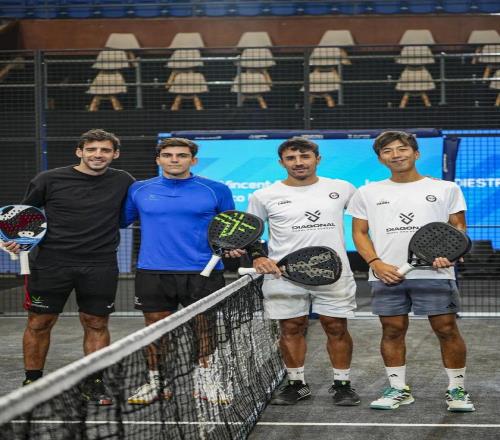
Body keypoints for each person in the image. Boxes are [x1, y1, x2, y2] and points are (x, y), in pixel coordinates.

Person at [347, 130, 475, 412]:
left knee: (446, 329)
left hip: (435, 274)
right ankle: (398, 389)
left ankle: (457, 389)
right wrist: (375, 263)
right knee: (392, 330)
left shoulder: (446, 189)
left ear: (416, 153)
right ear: (381, 159)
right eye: (387, 151)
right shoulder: (367, 192)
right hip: (386, 274)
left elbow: (458, 227)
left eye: (402, 148)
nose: (396, 155)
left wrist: (449, 255)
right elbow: (359, 232)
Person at [7, 129, 134, 405]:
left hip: (100, 264)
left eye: (105, 150)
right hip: (51, 264)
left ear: (115, 154)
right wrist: (14, 240)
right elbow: (22, 216)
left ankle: (94, 382)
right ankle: (33, 382)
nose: (98, 155)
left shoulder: (123, 181)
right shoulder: (48, 179)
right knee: (39, 322)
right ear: (79, 152)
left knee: (96, 322)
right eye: (91, 149)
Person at [247, 137, 360, 406]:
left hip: (333, 273)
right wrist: (258, 256)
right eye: (291, 158)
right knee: (290, 327)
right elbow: (251, 233)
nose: (298, 162)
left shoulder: (342, 188)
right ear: (281, 162)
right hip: (283, 275)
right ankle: (297, 385)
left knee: (336, 326)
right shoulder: (263, 195)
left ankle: (342, 385)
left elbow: (369, 216)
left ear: (317, 159)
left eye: (305, 156)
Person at [122, 137, 235, 405]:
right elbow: (120, 220)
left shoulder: (216, 190)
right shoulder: (139, 189)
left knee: (204, 328)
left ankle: (206, 381)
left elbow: (231, 227)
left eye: (182, 155)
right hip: (153, 271)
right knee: (155, 330)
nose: (175, 159)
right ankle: (157, 383)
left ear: (193, 160)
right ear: (158, 159)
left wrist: (233, 248)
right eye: (168, 155)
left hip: (203, 272)